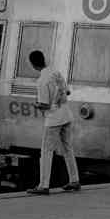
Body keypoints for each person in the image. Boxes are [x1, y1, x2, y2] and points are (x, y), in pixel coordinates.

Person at [26, 50, 80, 195]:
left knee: (46, 151)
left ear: (32, 64)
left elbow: (44, 104)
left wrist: (36, 105)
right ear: (44, 59)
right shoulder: (55, 72)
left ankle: (43, 186)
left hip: (54, 119)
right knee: (68, 149)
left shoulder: (42, 80)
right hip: (67, 115)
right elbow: (67, 92)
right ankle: (74, 180)